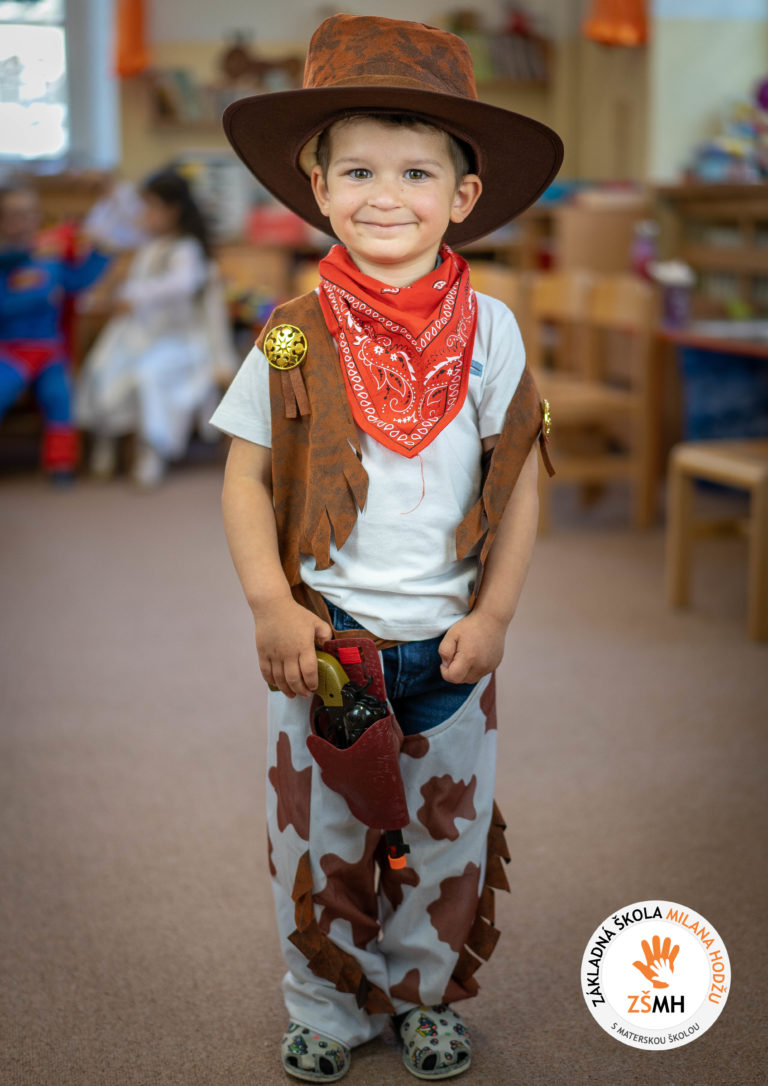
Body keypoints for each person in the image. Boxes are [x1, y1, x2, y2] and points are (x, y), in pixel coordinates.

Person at [211, 14, 562, 1083]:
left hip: (450, 645)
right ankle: (325, 1002)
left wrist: (496, 615)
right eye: (357, 170)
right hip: (329, 644)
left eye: (416, 173)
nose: (384, 195)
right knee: (316, 835)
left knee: (447, 838)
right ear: (317, 188)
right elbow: (244, 476)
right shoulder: (290, 329)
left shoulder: (494, 330)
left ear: (463, 195)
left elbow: (521, 481)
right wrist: (271, 605)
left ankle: (422, 995)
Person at [76, 168, 236, 488]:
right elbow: (109, 227)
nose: (144, 215)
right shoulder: (148, 246)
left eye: (151, 207)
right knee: (103, 367)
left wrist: (134, 295)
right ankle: (109, 441)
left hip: (179, 341)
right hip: (141, 336)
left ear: (172, 210)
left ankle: (152, 450)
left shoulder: (186, 248)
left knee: (149, 375)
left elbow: (182, 284)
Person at [0, 184, 110, 481]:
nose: (22, 222)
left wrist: (99, 252)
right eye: (14, 215)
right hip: (10, 350)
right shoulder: (7, 260)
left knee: (60, 398)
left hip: (50, 350)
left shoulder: (50, 257)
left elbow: (77, 281)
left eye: (28, 214)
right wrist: (37, 295)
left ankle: (61, 464)